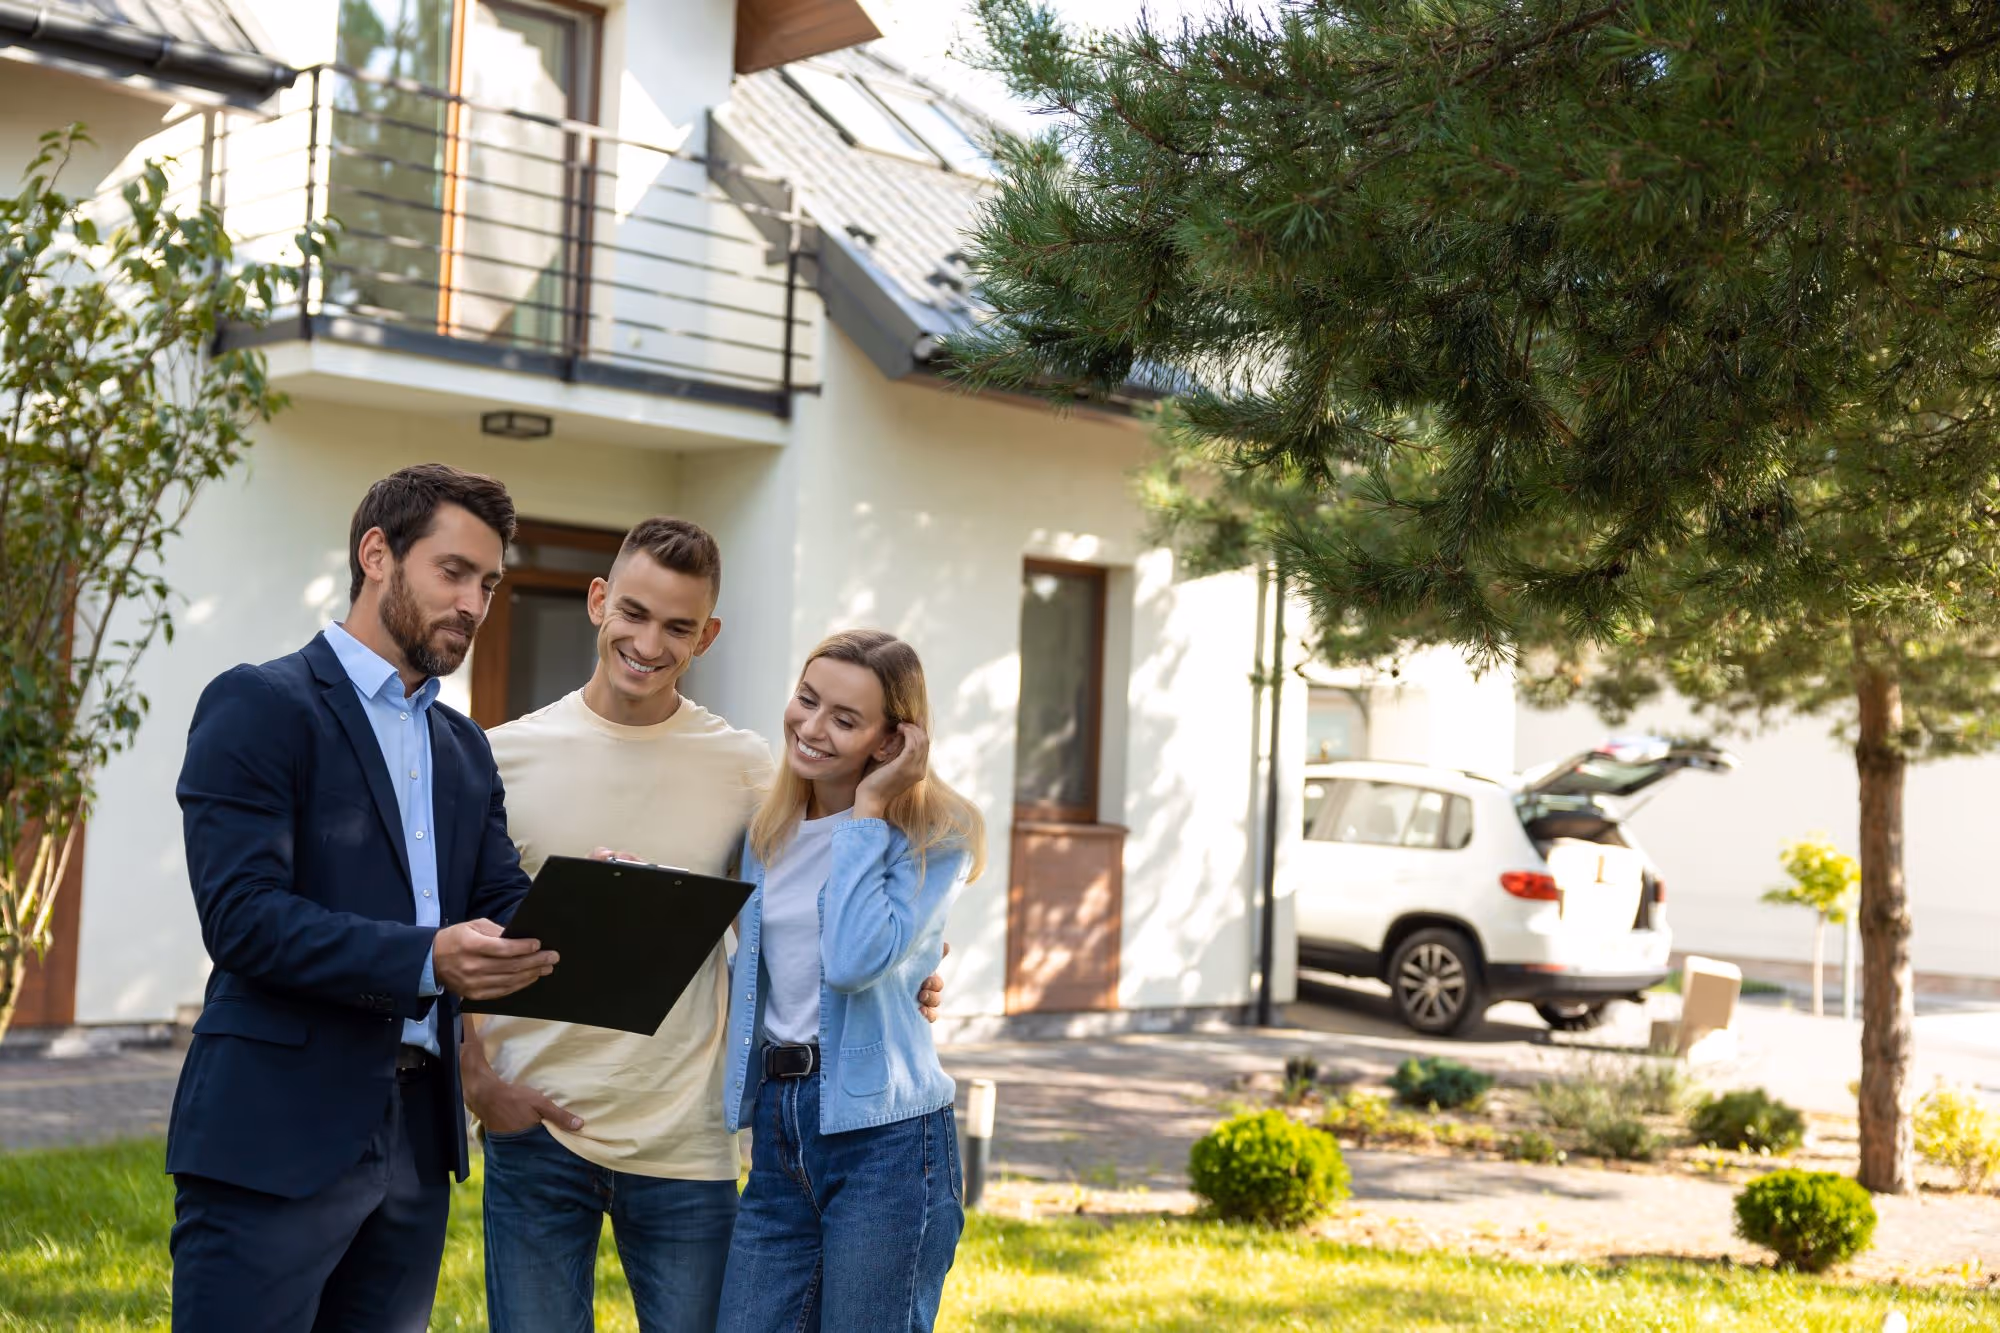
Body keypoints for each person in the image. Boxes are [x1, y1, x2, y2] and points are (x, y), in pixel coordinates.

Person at [463, 519, 947, 1332]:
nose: (649, 642)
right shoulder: (501, 756)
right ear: (598, 602)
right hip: (536, 1129)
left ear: (706, 636)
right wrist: (478, 1083)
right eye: (635, 612)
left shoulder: (750, 768)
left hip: (687, 1138)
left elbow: (831, 898)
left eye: (678, 626)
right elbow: (457, 931)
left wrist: (915, 969)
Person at [168, 464, 556, 1332]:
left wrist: (599, 897)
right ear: (376, 554)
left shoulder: (464, 748)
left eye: (488, 584)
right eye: (452, 571)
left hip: (418, 1141)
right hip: (274, 1131)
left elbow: (504, 903)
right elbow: (242, 917)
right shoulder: (261, 704)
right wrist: (424, 958)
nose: (473, 602)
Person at [717, 630, 985, 1333]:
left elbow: (854, 959)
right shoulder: (767, 831)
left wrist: (867, 812)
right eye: (807, 700)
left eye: (844, 718)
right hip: (783, 1126)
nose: (811, 727)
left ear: (892, 740)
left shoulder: (937, 835)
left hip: (888, 1141)